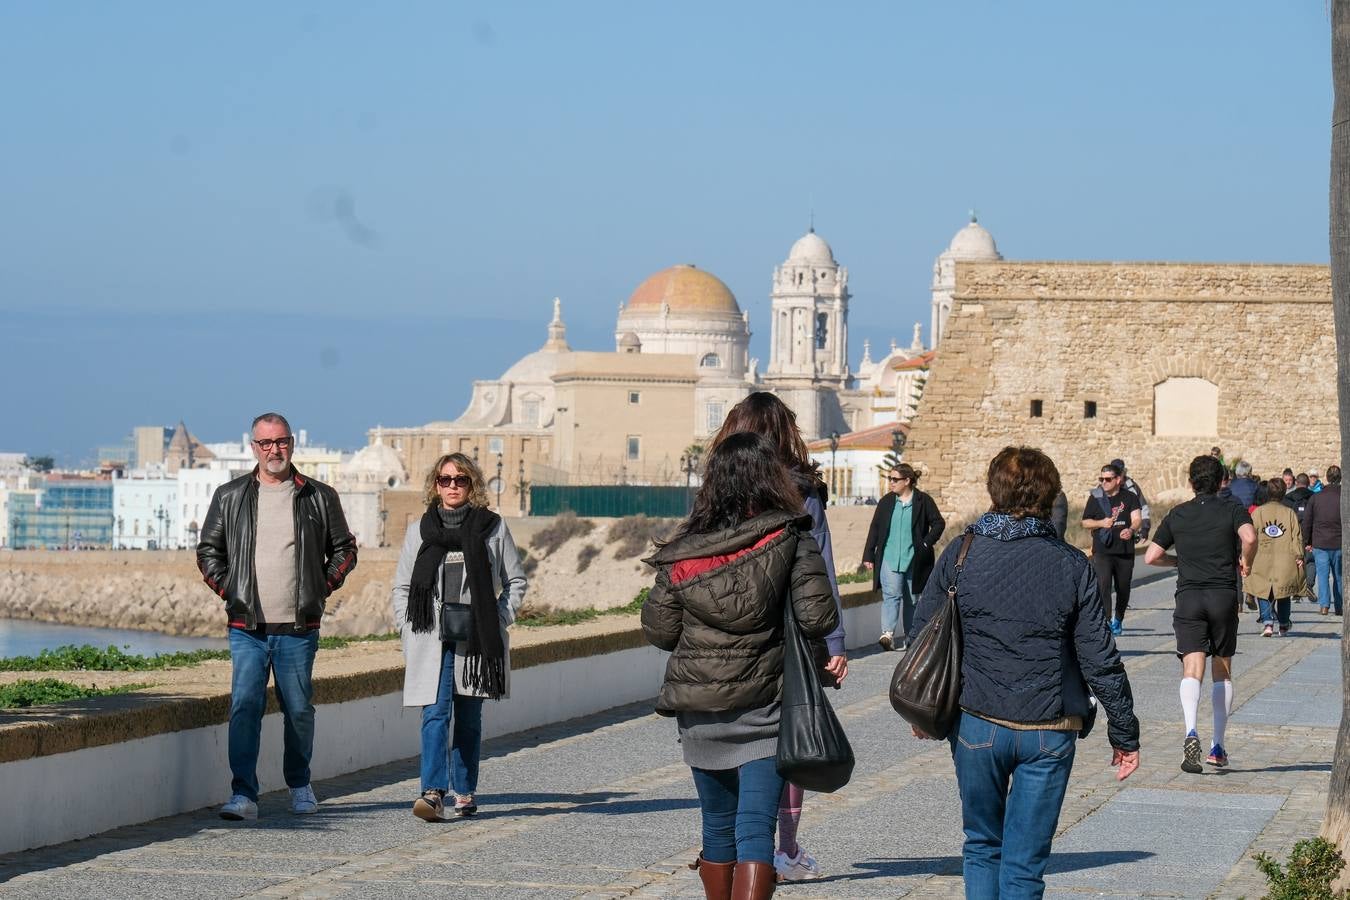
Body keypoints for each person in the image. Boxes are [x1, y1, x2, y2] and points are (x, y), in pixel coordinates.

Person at [909, 446, 1140, 899]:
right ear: (1049, 496)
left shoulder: (962, 552)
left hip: (977, 719)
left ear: (993, 490)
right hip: (1049, 728)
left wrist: (922, 713)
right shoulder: (1073, 564)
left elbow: (924, 631)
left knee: (981, 846)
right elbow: (1099, 655)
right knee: (1025, 866)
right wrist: (1124, 731)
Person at [642, 432, 839, 900]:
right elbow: (818, 616)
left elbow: (660, 630)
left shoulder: (685, 548)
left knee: (716, 826)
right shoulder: (791, 535)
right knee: (755, 829)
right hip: (766, 702)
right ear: (771, 478)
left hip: (700, 705)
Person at [706, 392, 847, 883]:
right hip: (787, 635)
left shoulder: (716, 489)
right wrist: (833, 643)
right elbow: (821, 570)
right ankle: (780, 851)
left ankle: (730, 857)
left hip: (723, 635)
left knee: (730, 745)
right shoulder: (803, 490)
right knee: (789, 742)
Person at [197, 412, 358, 821]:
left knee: (299, 710)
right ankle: (243, 795)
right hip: (247, 627)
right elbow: (208, 552)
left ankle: (300, 785)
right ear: (253, 447)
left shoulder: (318, 496)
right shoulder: (230, 495)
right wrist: (230, 592)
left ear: (292, 443)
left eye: (281, 441)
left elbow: (345, 549)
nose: (274, 450)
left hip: (298, 626)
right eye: (265, 443)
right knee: (245, 706)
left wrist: (321, 587)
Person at [391, 453, 528, 821]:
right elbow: (402, 586)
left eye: (460, 479)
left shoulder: (492, 527)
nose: (452, 486)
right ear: (435, 485)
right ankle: (433, 792)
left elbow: (516, 581)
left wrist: (497, 620)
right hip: (431, 638)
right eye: (445, 479)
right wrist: (407, 629)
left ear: (473, 484)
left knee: (468, 718)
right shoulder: (420, 530)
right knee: (435, 714)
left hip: (476, 639)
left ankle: (464, 790)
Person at [1144, 455, 1256, 773]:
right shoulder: (1232, 509)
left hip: (1189, 597)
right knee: (1222, 668)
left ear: (1191, 482)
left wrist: (1177, 563)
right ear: (1222, 481)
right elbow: (1249, 537)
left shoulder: (1178, 514)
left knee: (1192, 667)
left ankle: (1190, 729)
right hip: (1222, 595)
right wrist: (1246, 562)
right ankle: (1217, 746)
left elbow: (1152, 556)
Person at [862, 463, 945, 651]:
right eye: (889, 479)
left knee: (912, 599)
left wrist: (925, 543)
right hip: (889, 558)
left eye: (895, 479)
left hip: (914, 559)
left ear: (907, 481)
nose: (891, 482)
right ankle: (887, 634)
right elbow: (875, 528)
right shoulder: (886, 502)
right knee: (892, 595)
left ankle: (911, 636)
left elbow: (938, 523)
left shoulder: (923, 501)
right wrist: (869, 554)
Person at [1082, 462, 1142, 636]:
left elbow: (1137, 519)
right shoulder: (1096, 497)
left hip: (1124, 551)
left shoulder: (1129, 497)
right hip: (1102, 550)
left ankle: (1119, 619)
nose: (1104, 482)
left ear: (1118, 479)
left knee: (1123, 587)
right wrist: (1101, 523)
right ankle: (1106, 621)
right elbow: (1085, 522)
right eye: (1101, 479)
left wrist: (1131, 529)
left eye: (1108, 479)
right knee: (1103, 585)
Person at [1246, 478, 1303, 637]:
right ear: (1284, 492)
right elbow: (1296, 536)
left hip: (1262, 557)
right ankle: (1283, 625)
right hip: (1285, 558)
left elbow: (1251, 536)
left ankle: (1268, 623)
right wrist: (1299, 555)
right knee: (1283, 592)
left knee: (1263, 589)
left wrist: (1246, 557)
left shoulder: (1257, 513)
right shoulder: (1290, 513)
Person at [1301, 465, 1343, 616]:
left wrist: (1307, 541)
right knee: (1339, 576)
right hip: (1339, 542)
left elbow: (1307, 521)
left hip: (1320, 542)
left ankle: (1324, 606)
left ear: (1326, 478)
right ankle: (1340, 606)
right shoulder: (1344, 497)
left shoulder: (1316, 497)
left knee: (1323, 575)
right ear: (1341, 478)